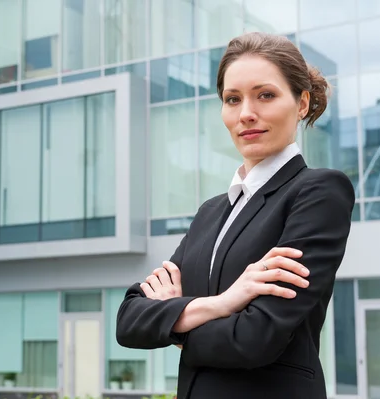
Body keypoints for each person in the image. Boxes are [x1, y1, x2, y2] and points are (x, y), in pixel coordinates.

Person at [116, 32, 355, 399]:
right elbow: (129, 320)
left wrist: (173, 321)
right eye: (232, 99)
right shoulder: (210, 213)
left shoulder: (318, 192)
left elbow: (254, 338)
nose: (246, 113)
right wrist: (222, 304)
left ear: (302, 103)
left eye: (266, 95)